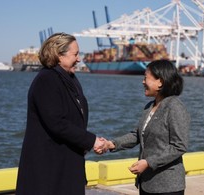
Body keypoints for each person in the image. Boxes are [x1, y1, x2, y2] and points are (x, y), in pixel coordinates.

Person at [16, 32, 106, 195]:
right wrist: (91, 141)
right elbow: (57, 123)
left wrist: (86, 143)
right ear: (58, 55)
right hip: (49, 169)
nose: (79, 59)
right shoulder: (46, 80)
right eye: (76, 54)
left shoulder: (69, 79)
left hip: (68, 163)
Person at [98, 59, 190, 195]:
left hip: (167, 187)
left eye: (146, 78)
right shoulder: (149, 107)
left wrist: (148, 162)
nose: (142, 82)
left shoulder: (175, 107)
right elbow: (138, 134)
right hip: (146, 183)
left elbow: (179, 146)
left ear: (160, 82)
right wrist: (111, 144)